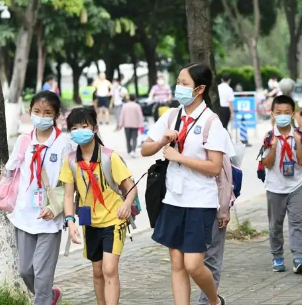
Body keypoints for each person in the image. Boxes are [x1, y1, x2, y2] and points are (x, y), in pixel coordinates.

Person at [141, 62, 234, 305]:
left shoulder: (212, 122)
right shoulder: (171, 115)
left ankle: (214, 301)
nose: (178, 87)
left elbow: (214, 166)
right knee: (177, 264)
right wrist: (163, 140)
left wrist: (179, 157)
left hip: (200, 200)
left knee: (193, 264)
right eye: (178, 82)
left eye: (184, 84)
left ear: (199, 88)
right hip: (173, 198)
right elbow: (144, 149)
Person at [0, 91, 72, 305]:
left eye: (47, 113)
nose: (41, 116)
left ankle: (44, 297)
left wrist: (57, 209)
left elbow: (68, 184)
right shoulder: (24, 141)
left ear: (56, 115)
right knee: (26, 271)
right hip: (24, 214)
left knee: (42, 278)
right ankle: (50, 295)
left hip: (49, 218)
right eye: (37, 111)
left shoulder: (63, 144)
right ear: (30, 111)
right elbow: (9, 171)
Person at [60, 107, 138, 305]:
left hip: (115, 220)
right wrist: (70, 222)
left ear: (94, 128)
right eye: (74, 128)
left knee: (109, 269)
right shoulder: (70, 161)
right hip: (90, 223)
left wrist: (127, 204)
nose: (79, 130)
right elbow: (68, 195)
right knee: (97, 271)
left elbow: (131, 187)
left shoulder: (109, 157)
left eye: (84, 126)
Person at [262, 95, 302, 274]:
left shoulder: (299, 135)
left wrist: (297, 142)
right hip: (275, 187)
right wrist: (273, 147)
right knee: (276, 224)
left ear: (293, 114)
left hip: (296, 185)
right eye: (278, 112)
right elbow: (266, 163)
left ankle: (298, 256)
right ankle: (277, 256)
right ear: (272, 114)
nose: (282, 115)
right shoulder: (269, 137)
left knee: (297, 220)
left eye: (286, 113)